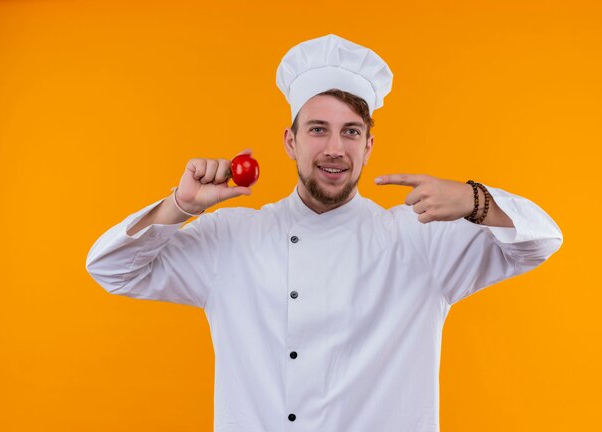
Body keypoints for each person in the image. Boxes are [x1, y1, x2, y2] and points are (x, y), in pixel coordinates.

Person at [86, 34, 563, 432]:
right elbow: (111, 270)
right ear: (290, 142)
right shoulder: (231, 238)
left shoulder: (419, 237)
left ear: (369, 146)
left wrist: (475, 200)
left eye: (351, 132)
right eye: (318, 129)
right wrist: (180, 206)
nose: (335, 148)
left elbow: (543, 241)